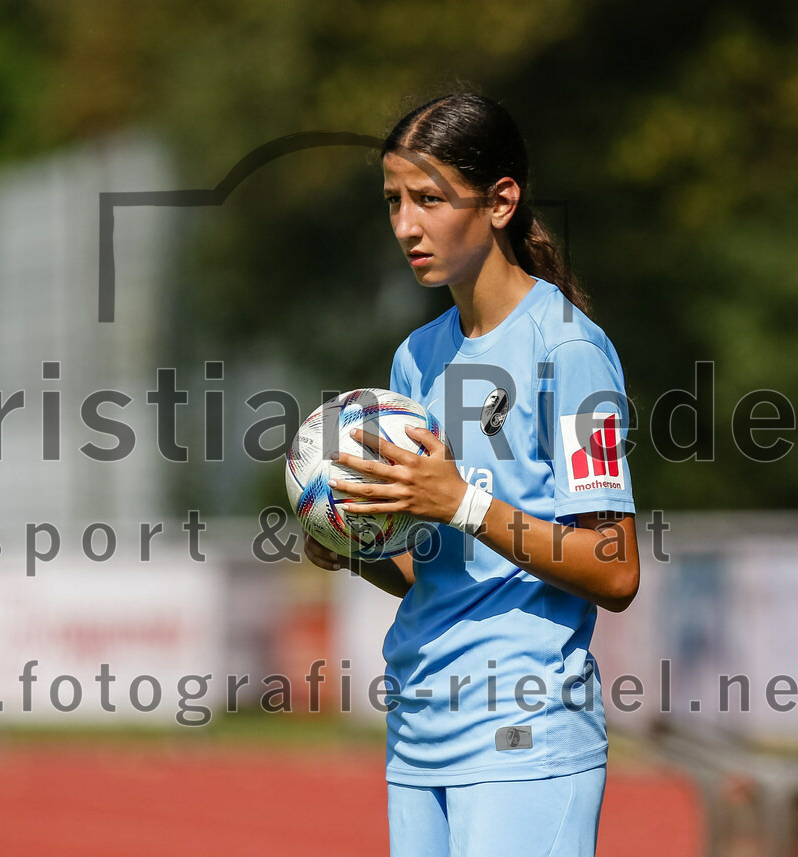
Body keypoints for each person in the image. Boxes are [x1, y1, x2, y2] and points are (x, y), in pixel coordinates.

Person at [304, 93, 640, 857]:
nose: (405, 226)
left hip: (524, 730)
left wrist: (463, 502)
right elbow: (443, 574)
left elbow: (617, 571)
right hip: (421, 723)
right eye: (393, 201)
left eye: (428, 199)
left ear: (500, 201)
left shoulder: (571, 352)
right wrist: (354, 546)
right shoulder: (415, 358)